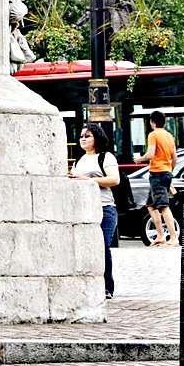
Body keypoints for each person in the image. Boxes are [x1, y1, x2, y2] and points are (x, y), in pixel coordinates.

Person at [70, 123, 120, 298]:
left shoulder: (106, 157)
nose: (83, 139)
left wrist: (86, 179)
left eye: (87, 136)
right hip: (83, 209)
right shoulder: (79, 160)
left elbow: (114, 180)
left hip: (105, 208)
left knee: (102, 246)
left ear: (97, 138)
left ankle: (107, 287)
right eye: (81, 136)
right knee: (86, 248)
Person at [135, 110, 179, 246]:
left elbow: (150, 154)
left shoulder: (153, 135)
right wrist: (169, 170)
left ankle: (173, 238)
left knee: (163, 206)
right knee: (151, 205)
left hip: (157, 173)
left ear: (152, 122)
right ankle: (160, 235)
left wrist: (139, 159)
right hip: (165, 172)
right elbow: (175, 157)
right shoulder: (169, 135)